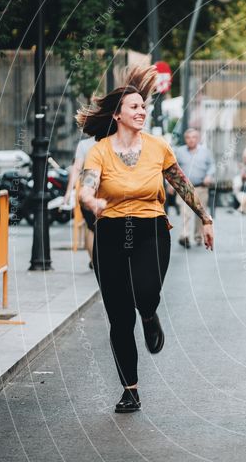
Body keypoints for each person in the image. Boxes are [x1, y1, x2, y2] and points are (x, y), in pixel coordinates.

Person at [76, 66, 215, 413]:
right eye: (134, 107)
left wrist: (205, 217)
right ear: (118, 114)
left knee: (145, 291)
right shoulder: (100, 151)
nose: (141, 111)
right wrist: (91, 200)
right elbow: (87, 186)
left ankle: (150, 313)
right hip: (109, 233)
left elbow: (182, 184)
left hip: (150, 229)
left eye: (143, 106)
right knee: (120, 318)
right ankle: (130, 389)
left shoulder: (158, 147)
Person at [63, 135, 99, 269]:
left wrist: (68, 192)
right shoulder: (111, 141)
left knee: (90, 228)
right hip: (105, 193)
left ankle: (94, 262)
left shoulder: (84, 144)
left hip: (86, 190)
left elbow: (77, 168)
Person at [175, 128, 215, 247]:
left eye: (193, 137)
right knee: (185, 212)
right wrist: (171, 185)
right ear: (185, 139)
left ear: (197, 139)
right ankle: (185, 235)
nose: (191, 140)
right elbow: (172, 167)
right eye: (188, 137)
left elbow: (212, 165)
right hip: (184, 188)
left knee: (199, 213)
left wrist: (209, 175)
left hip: (201, 187)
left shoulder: (205, 152)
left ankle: (198, 235)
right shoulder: (179, 152)